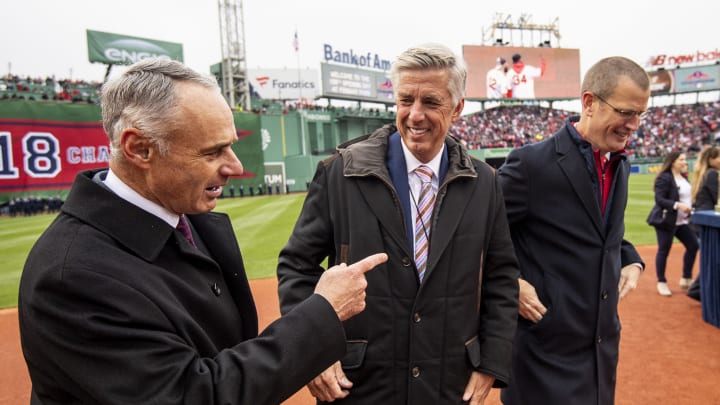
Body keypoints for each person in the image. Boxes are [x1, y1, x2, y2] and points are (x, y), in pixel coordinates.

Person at [18, 58, 387, 405]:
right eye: (212, 152)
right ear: (139, 149)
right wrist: (323, 313)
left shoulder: (183, 216)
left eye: (231, 146)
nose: (235, 166)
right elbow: (194, 394)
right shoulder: (73, 278)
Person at [277, 43, 520, 405]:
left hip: (449, 385)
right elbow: (296, 267)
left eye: (430, 103)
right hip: (359, 386)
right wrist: (311, 353)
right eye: (406, 101)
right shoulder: (340, 173)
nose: (415, 115)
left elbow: (501, 277)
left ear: (457, 109)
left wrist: (491, 364)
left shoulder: (485, 182)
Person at [497, 56, 647, 405]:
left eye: (640, 114)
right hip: (543, 355)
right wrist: (509, 283)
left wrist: (630, 258)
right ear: (589, 103)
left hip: (600, 352)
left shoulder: (618, 163)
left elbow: (605, 232)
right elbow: (475, 232)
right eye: (626, 112)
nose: (634, 124)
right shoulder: (530, 164)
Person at [649, 152, 698, 296]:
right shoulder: (665, 178)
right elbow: (660, 199)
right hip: (666, 221)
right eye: (681, 159)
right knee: (664, 250)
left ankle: (686, 278)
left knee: (693, 245)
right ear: (672, 162)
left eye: (685, 159)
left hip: (682, 221)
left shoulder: (683, 177)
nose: (684, 162)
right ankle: (661, 282)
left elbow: (688, 198)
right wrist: (678, 205)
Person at [687, 145, 720, 300]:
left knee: (710, 256)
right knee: (714, 257)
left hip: (699, 219)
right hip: (708, 220)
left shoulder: (703, 173)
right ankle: (698, 289)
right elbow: (716, 199)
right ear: (711, 159)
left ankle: (699, 288)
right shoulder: (713, 173)